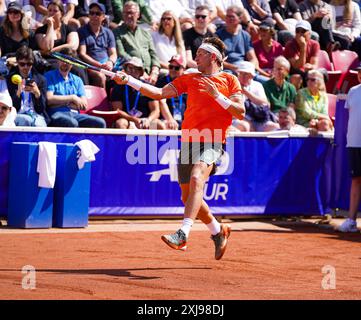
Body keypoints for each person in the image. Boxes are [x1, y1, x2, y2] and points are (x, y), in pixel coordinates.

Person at [113, 37, 245, 260]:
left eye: (200, 54)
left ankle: (183, 233)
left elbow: (240, 111)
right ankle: (217, 230)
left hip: (213, 140)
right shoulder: (190, 78)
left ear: (213, 57)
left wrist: (217, 96)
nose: (196, 57)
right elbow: (157, 93)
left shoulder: (230, 80)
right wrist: (128, 81)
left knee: (196, 179)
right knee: (188, 197)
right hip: (188, 141)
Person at [44, 48, 106, 128]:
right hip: (56, 113)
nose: (65, 63)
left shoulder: (77, 80)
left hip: (75, 114)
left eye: (68, 61)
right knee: (72, 123)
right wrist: (73, 98)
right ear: (58, 60)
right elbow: (49, 99)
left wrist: (60, 102)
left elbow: (84, 105)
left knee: (100, 122)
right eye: (63, 60)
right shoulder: (49, 76)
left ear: (72, 63)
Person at [34, 0, 88, 83]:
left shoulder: (69, 28)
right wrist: (50, 26)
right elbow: (47, 46)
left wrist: (53, 50)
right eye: (50, 10)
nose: (52, 13)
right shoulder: (41, 30)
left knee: (78, 69)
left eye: (55, 11)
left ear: (62, 13)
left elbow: (73, 45)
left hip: (68, 58)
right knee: (55, 69)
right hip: (51, 60)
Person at [113, 1, 160, 84]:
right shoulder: (117, 32)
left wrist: (155, 71)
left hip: (150, 73)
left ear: (138, 15)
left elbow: (153, 54)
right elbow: (121, 53)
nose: (128, 16)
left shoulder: (145, 33)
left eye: (131, 13)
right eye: (125, 13)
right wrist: (140, 70)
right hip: (132, 72)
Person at [338, 65, 361, 233]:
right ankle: (351, 220)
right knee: (356, 180)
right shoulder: (353, 91)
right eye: (360, 72)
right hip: (354, 142)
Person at [110, 57, 163, 129]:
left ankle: (152, 140)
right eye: (130, 68)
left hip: (145, 120)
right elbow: (118, 111)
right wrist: (133, 119)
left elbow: (155, 110)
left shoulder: (147, 86)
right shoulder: (118, 86)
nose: (132, 71)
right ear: (125, 70)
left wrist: (148, 120)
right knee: (121, 123)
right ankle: (123, 140)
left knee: (158, 124)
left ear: (141, 72)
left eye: (136, 68)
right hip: (127, 119)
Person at [216, 5, 266, 83]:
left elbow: (252, 57)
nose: (228, 19)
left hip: (244, 68)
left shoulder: (245, 35)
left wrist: (249, 67)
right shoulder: (218, 35)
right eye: (227, 16)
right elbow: (216, 60)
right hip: (227, 70)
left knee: (266, 82)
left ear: (239, 19)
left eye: (232, 17)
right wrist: (234, 67)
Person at [78, 2, 117, 88]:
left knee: (122, 75)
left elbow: (113, 53)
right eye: (92, 13)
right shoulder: (82, 31)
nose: (94, 16)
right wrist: (99, 65)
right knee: (100, 76)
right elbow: (82, 53)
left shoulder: (108, 32)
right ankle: (103, 101)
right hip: (90, 66)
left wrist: (110, 62)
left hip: (107, 64)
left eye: (98, 13)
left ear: (103, 17)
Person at [6, 46, 48, 127]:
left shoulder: (41, 80)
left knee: (40, 125)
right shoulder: (10, 80)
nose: (26, 67)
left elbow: (41, 109)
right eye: (22, 64)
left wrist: (37, 94)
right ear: (17, 63)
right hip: (18, 114)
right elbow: (11, 108)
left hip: (36, 115)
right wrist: (18, 94)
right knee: (25, 120)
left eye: (29, 64)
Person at [232, 60, 278, 132]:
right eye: (241, 73)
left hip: (258, 119)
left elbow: (265, 103)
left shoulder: (257, 85)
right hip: (239, 119)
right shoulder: (232, 85)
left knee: (274, 127)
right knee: (245, 126)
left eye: (246, 74)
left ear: (252, 76)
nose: (243, 76)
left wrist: (245, 92)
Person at [153, 54, 188, 129]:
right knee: (165, 125)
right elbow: (162, 101)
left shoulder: (187, 83)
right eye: (171, 67)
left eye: (177, 68)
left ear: (183, 69)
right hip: (167, 120)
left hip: (184, 120)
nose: (173, 70)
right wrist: (170, 119)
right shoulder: (162, 81)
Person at [284, 20, 319, 89]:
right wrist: (303, 47)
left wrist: (311, 66)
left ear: (309, 33)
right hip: (293, 72)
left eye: (303, 31)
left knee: (322, 73)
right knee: (298, 77)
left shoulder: (315, 44)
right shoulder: (290, 45)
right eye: (297, 31)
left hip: (308, 72)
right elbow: (297, 66)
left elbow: (314, 64)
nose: (300, 33)